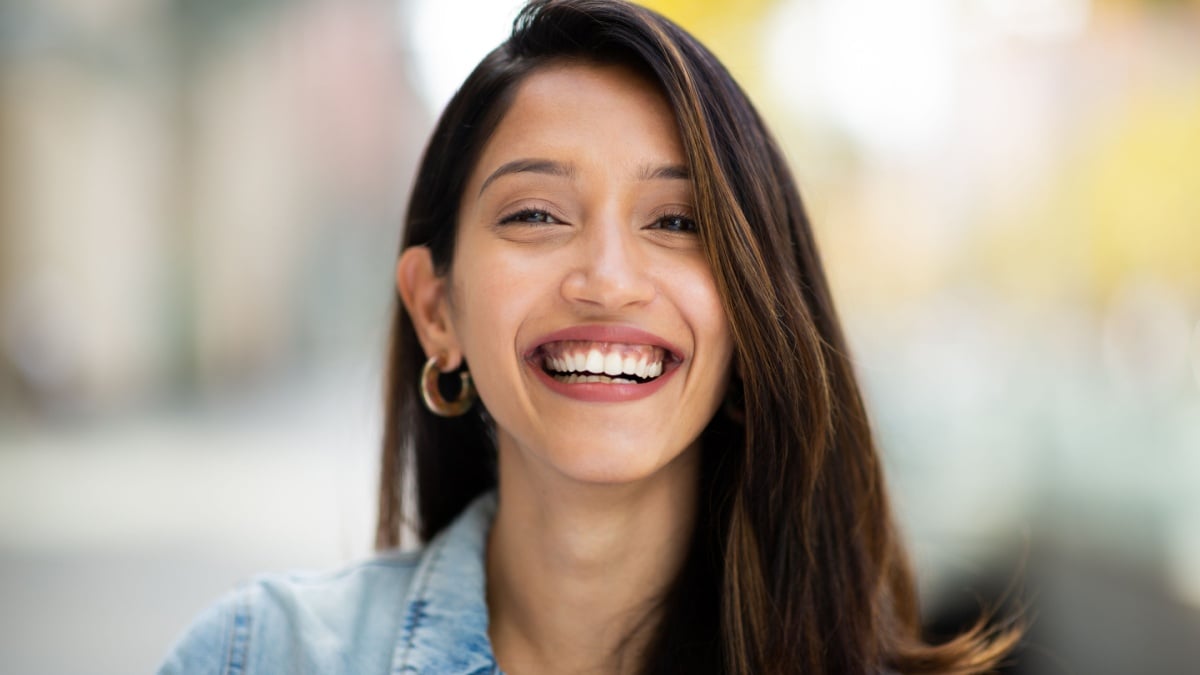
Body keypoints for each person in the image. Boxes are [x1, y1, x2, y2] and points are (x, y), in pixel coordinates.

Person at [159, 1, 1020, 673]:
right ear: (437, 311)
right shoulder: (259, 654)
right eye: (535, 214)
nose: (607, 278)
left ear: (756, 310)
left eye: (678, 220)